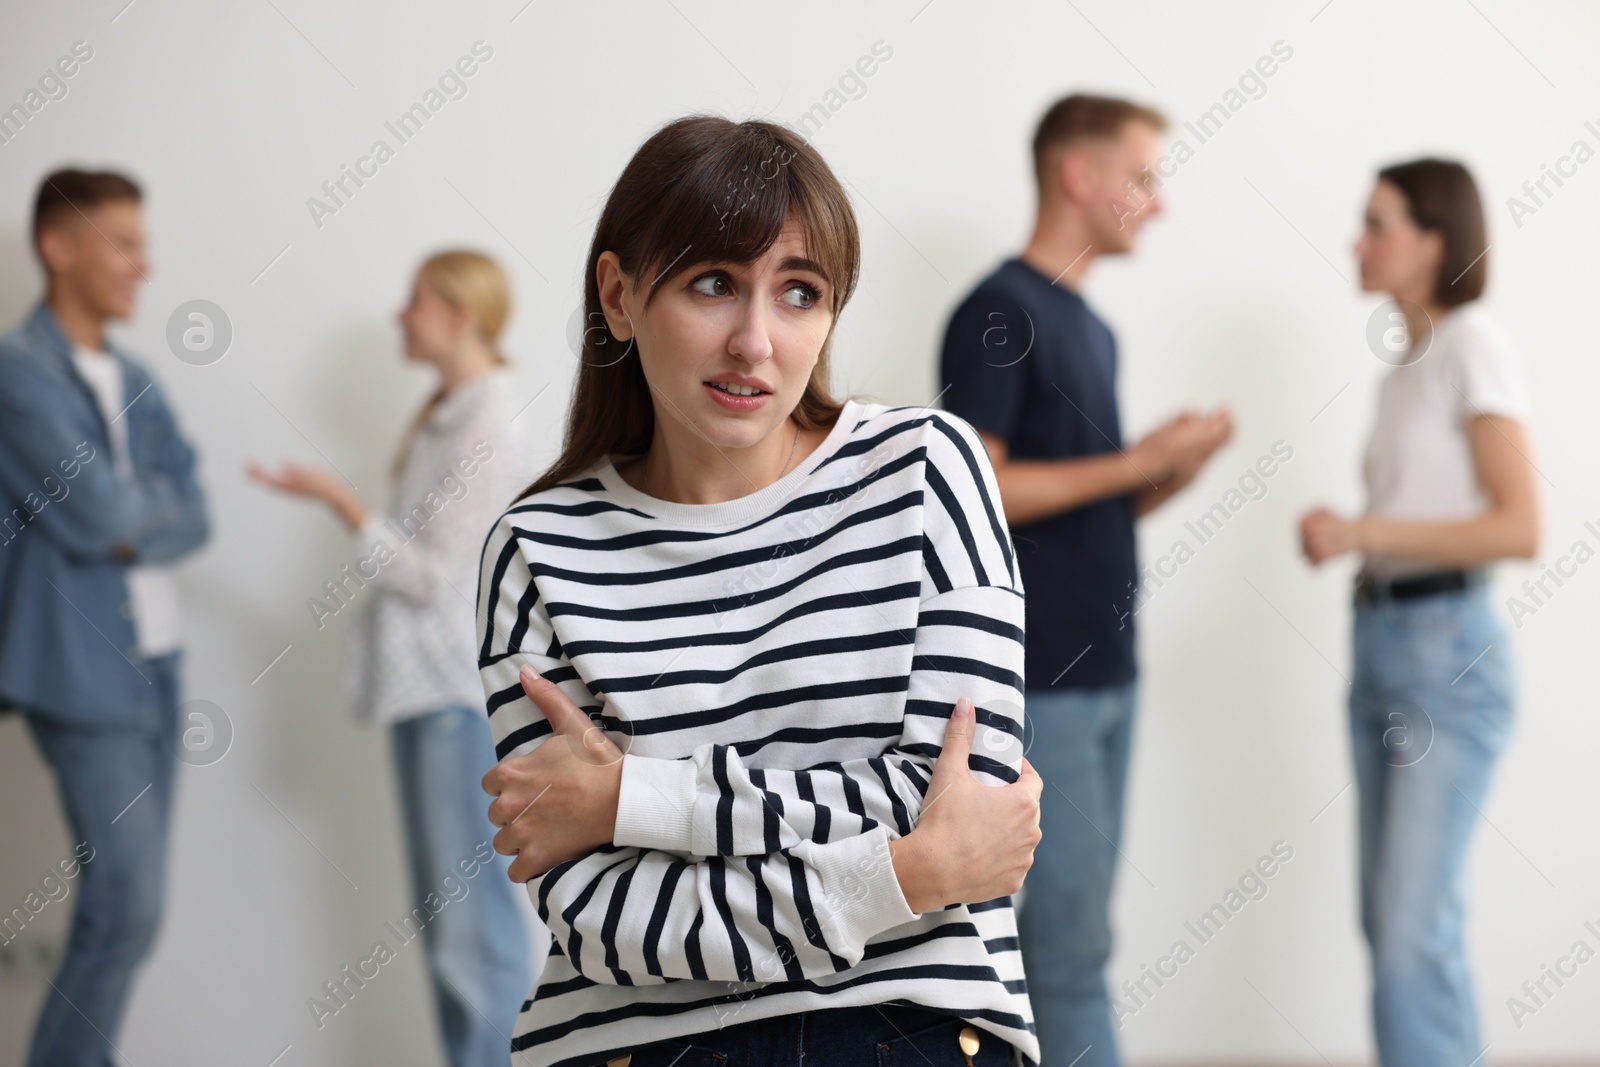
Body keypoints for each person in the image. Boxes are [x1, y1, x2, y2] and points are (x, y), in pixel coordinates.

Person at [475, 114, 1045, 1067]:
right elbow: (601, 914)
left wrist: (632, 799)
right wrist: (903, 876)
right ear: (618, 295)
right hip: (634, 1043)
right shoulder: (539, 549)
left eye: (798, 293)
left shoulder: (925, 471)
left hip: (906, 1023)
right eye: (712, 284)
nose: (755, 341)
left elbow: (952, 801)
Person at [937, 94, 1231, 1064]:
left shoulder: (1094, 331)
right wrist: (1137, 458)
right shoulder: (998, 308)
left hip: (1109, 674)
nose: (1158, 201)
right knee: (1064, 949)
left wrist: (1162, 472)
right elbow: (977, 492)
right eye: (1143, 176)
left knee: (1072, 941)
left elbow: (1077, 506)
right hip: (1041, 681)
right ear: (1078, 174)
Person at [249, 251, 536, 1067]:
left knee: (471, 936)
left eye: (414, 302)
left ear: (459, 313)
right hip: (426, 701)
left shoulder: (486, 422)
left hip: (452, 699)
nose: (399, 317)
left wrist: (341, 503)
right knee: (450, 929)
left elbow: (428, 575)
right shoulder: (448, 412)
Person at [1299, 159, 1540, 1067]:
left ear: (1435, 239)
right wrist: (1358, 539)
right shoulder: (1408, 365)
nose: (1358, 241)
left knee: (1411, 933)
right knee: (1392, 925)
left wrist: (1362, 527)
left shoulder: (1473, 342)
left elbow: (1519, 525)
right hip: (1383, 641)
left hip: (1446, 658)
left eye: (1377, 223)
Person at [0, 168, 210, 1067]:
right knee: (124, 903)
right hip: (82, 670)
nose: (142, 263)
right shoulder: (16, 373)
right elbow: (96, 514)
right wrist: (133, 511)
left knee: (132, 909)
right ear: (59, 247)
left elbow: (194, 510)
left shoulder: (133, 373)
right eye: (123, 243)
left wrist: (134, 510)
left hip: (158, 661)